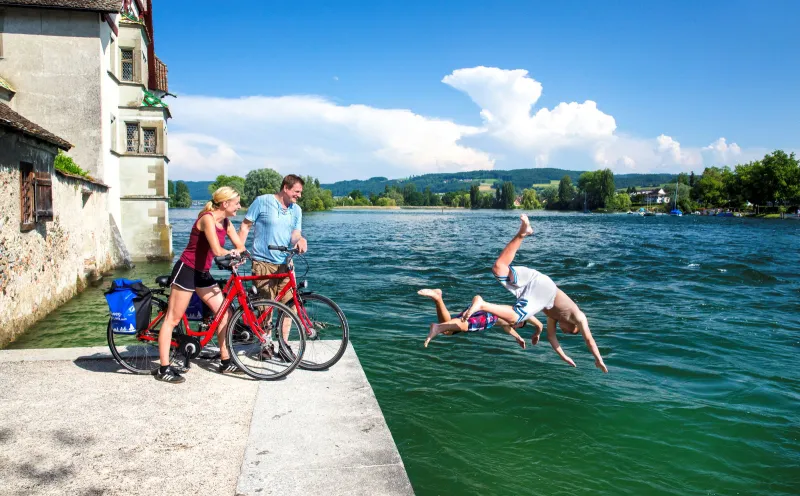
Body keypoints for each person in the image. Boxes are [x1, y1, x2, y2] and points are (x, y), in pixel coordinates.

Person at [462, 215, 609, 373]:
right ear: (573, 325)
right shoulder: (578, 317)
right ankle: (482, 304)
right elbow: (589, 339)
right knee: (515, 317)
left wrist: (564, 357)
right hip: (546, 290)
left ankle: (523, 233)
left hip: (537, 280)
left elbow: (551, 338)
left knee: (499, 268)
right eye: (569, 331)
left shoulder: (554, 317)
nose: (564, 331)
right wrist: (598, 359)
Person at [154, 187, 247, 383]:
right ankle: (163, 368)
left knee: (225, 313)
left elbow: (240, 246)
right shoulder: (207, 219)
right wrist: (231, 253)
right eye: (237, 203)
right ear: (225, 203)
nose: (239, 206)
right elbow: (217, 250)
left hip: (203, 273)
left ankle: (225, 360)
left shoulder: (226, 222)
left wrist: (241, 253)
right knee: (172, 319)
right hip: (187, 270)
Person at [239, 174, 307, 359]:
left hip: (285, 264)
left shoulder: (296, 210)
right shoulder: (262, 202)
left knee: (290, 306)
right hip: (263, 262)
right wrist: (240, 249)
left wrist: (300, 240)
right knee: (265, 307)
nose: (299, 195)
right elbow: (245, 226)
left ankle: (284, 346)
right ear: (285, 188)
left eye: (300, 192)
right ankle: (266, 345)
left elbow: (295, 234)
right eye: (296, 191)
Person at [418, 289, 542, 349]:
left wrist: (518, 337)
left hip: (481, 311)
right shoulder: (517, 314)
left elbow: (507, 328)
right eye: (520, 325)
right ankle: (437, 327)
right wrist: (538, 331)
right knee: (465, 326)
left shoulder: (508, 319)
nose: (516, 326)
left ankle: (438, 298)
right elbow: (536, 321)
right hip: (489, 317)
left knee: (448, 331)